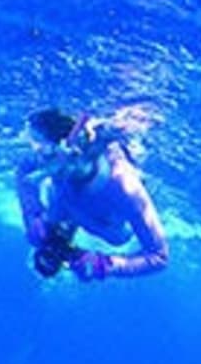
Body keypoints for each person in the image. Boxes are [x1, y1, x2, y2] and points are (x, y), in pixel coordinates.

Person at [14, 108, 169, 281]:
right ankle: (62, 234)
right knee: (48, 226)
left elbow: (159, 257)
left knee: (117, 237)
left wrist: (107, 265)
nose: (41, 161)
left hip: (106, 224)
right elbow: (24, 168)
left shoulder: (124, 186)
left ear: (73, 152)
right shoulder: (53, 157)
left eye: (47, 154)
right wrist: (33, 214)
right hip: (66, 202)